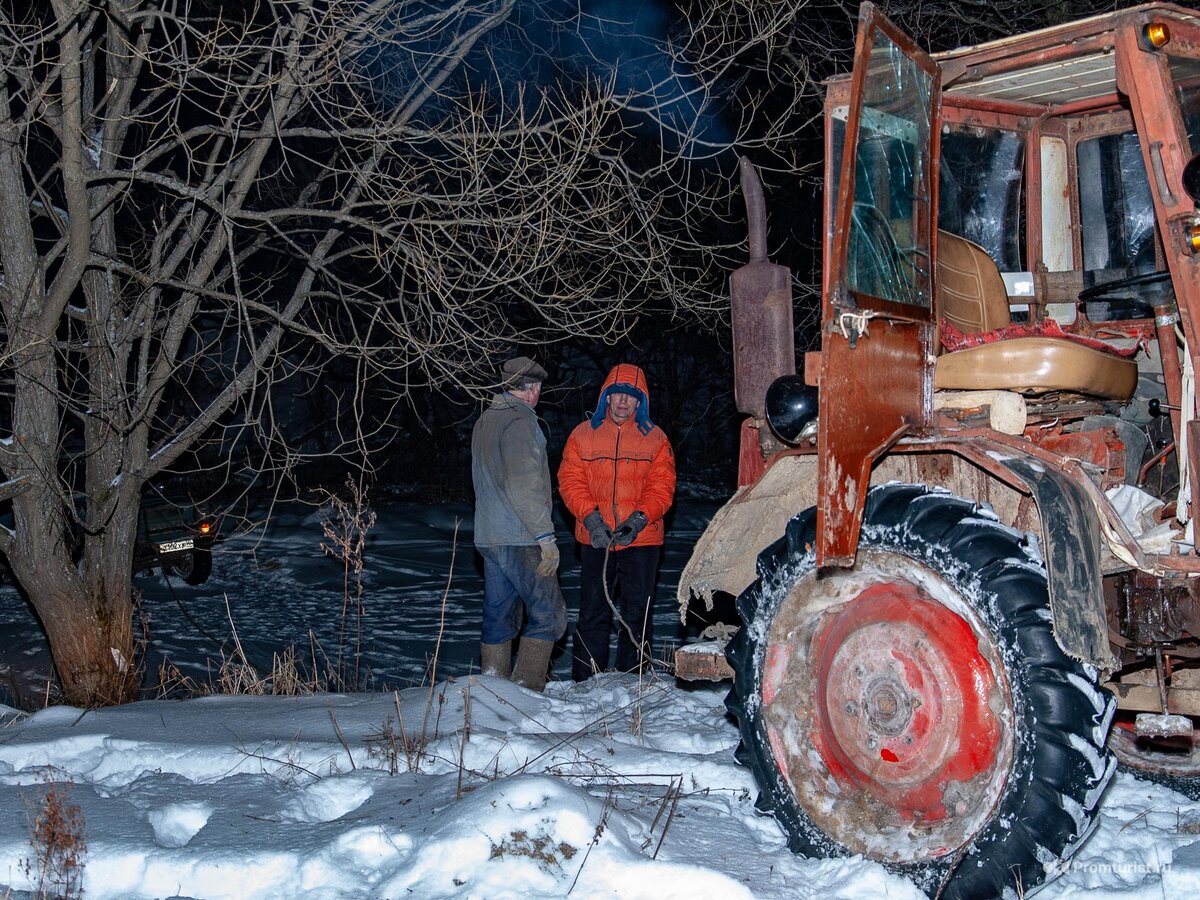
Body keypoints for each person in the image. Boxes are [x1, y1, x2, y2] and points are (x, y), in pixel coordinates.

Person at [558, 363, 676, 681]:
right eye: (617, 394)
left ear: (641, 402)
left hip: (642, 539)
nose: (623, 401)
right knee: (593, 609)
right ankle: (586, 679)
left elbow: (662, 486)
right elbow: (570, 480)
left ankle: (634, 676)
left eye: (631, 396)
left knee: (637, 611)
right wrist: (591, 519)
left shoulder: (656, 439)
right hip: (596, 538)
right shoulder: (582, 435)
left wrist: (638, 520)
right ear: (606, 399)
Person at [470, 356, 567, 691]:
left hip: (489, 536)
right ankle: (526, 689)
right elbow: (524, 484)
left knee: (499, 614)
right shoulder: (522, 423)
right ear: (533, 389)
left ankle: (493, 688)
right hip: (520, 536)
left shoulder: (485, 420)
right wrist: (545, 536)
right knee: (549, 614)